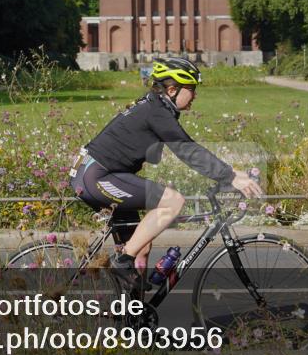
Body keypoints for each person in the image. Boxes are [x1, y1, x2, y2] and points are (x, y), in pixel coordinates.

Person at [70, 57, 263, 292]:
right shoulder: (156, 111)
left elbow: (181, 149)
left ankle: (132, 320)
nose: (195, 96)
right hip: (97, 177)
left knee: (141, 247)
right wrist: (230, 176)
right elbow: (187, 150)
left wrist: (229, 171)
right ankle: (122, 263)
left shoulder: (155, 107)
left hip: (101, 175)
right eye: (191, 90)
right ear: (172, 89)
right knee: (173, 201)